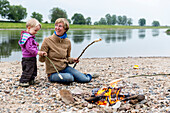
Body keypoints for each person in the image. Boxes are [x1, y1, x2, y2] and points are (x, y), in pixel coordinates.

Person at [39, 18, 97, 84]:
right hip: (53, 73)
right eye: (56, 25)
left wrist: (73, 60)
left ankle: (86, 75)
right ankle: (73, 76)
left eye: (60, 26)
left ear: (65, 29)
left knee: (85, 79)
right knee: (69, 78)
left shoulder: (67, 42)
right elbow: (41, 60)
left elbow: (67, 58)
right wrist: (42, 54)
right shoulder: (47, 40)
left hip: (65, 68)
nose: (57, 28)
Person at [18, 18, 47, 87]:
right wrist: (37, 52)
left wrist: (35, 44)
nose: (36, 32)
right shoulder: (28, 38)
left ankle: (31, 79)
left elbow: (30, 44)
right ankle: (23, 81)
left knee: (33, 69)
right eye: (35, 30)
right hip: (28, 58)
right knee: (28, 69)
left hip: (31, 57)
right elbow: (29, 48)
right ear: (29, 28)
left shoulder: (29, 37)